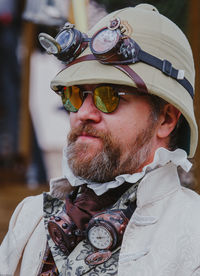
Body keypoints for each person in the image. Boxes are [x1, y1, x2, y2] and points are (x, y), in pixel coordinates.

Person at [1, 3, 200, 276]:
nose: (83, 113)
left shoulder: (193, 232)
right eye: (74, 96)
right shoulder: (30, 218)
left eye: (108, 97)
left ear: (165, 119)